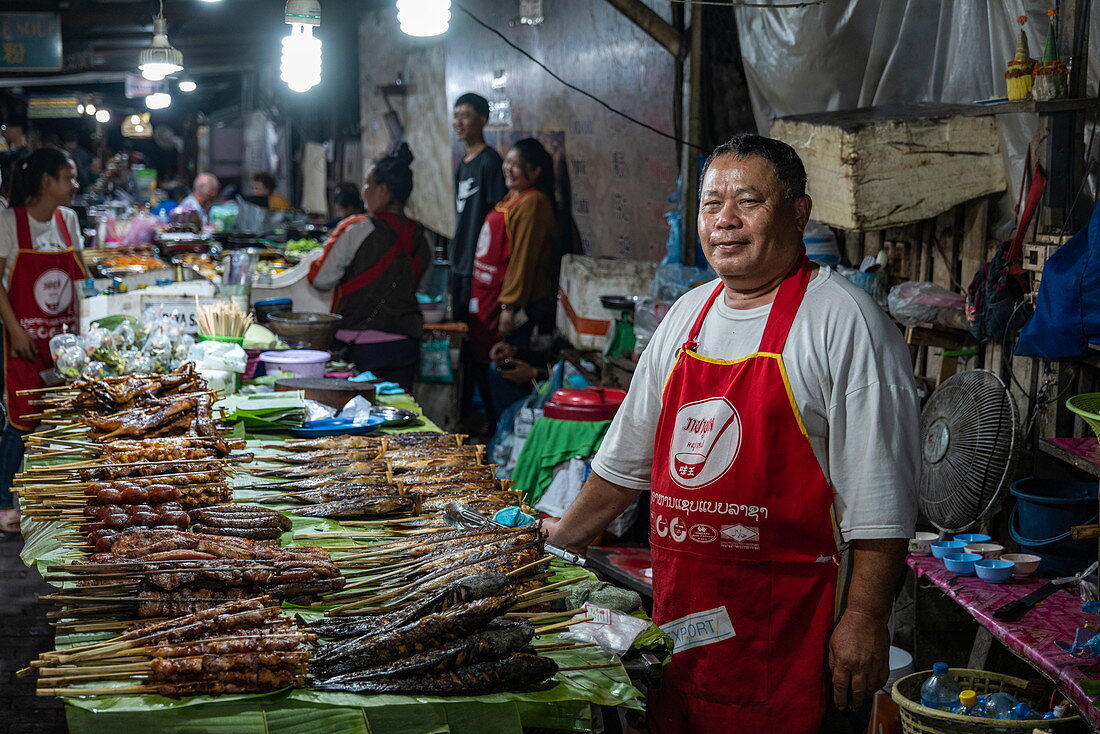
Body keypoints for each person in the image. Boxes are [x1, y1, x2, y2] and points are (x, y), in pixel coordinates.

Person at [545, 134, 919, 733]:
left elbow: (881, 504)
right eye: (711, 203)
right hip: (687, 621)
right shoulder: (686, 317)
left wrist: (864, 619)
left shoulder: (846, 323)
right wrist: (557, 543)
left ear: (798, 211)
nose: (726, 221)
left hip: (793, 631)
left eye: (748, 201)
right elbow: (621, 466)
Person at [0, 148, 86, 533]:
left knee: (63, 419)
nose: (75, 185)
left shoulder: (68, 220)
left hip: (64, 342)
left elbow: (79, 284)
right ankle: (4, 504)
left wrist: (82, 340)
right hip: (22, 340)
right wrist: (16, 330)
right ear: (46, 181)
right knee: (23, 419)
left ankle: (51, 503)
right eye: (68, 177)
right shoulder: (8, 222)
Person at [308, 144, 430, 392]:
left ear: (383, 190)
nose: (363, 191)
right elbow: (422, 287)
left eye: (367, 184)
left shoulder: (358, 228)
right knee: (398, 417)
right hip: (406, 344)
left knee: (358, 420)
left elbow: (321, 279)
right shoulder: (421, 235)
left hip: (360, 345)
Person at [468, 138, 555, 426]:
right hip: (491, 299)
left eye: (517, 166)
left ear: (535, 171)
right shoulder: (511, 199)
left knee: (506, 371)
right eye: (508, 162)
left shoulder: (533, 202)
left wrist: (510, 305)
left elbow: (524, 258)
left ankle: (508, 433)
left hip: (520, 306)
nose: (509, 169)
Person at [452, 93, 505, 322]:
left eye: (465, 116)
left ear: (483, 120)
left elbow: (498, 216)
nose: (458, 122)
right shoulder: (463, 164)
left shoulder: (490, 162)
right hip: (460, 258)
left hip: (479, 264)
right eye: (455, 116)